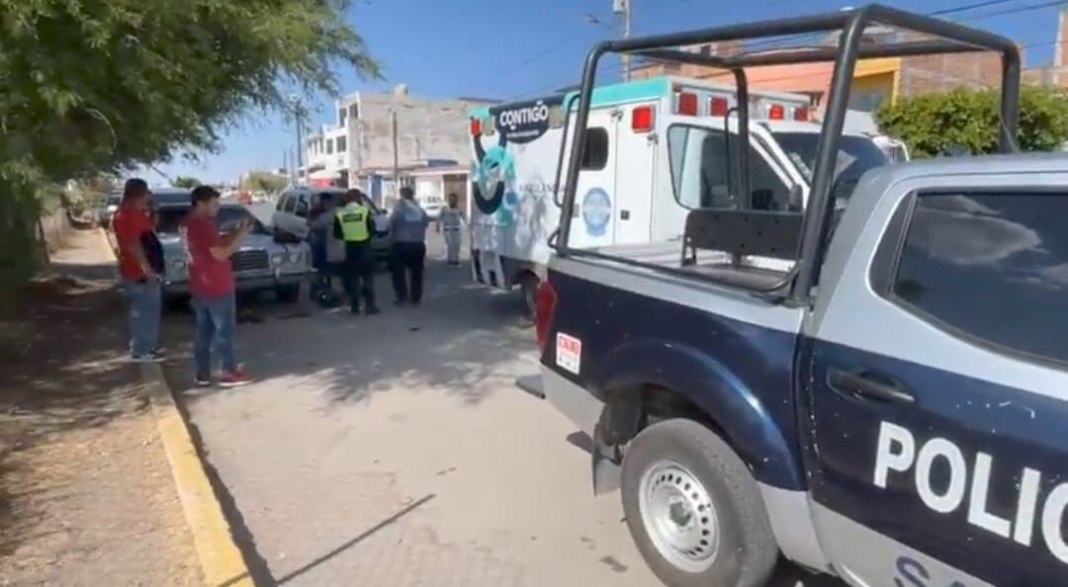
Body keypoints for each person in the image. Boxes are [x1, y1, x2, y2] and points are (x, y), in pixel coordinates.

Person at [184, 185, 253, 387]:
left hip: (200, 283)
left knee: (203, 332)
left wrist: (234, 233)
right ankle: (228, 371)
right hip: (216, 284)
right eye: (214, 204)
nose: (217, 208)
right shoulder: (202, 225)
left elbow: (214, 244)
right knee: (224, 330)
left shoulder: (189, 223)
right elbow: (220, 254)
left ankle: (202, 373)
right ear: (200, 203)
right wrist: (240, 237)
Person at [112, 178, 163, 362]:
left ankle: (146, 347)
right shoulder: (126, 214)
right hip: (139, 274)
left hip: (141, 272)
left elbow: (149, 231)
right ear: (139, 194)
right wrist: (147, 270)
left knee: (146, 310)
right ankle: (142, 350)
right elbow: (133, 244)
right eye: (146, 193)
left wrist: (154, 210)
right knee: (144, 312)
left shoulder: (134, 213)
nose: (148, 197)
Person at [333, 189, 379, 315]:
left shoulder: (340, 213)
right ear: (358, 199)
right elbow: (372, 229)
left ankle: (355, 307)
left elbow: (337, 234)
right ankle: (370, 306)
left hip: (350, 249)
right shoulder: (364, 211)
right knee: (368, 278)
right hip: (365, 248)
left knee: (353, 279)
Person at [389, 186, 430, 305]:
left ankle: (401, 296)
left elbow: (392, 224)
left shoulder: (399, 209)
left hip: (401, 244)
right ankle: (415, 297)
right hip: (418, 244)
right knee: (416, 273)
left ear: (402, 195)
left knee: (398, 273)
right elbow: (426, 223)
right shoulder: (420, 209)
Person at [436, 192, 466, 266]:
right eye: (451, 199)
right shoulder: (445, 209)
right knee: (450, 245)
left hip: (456, 229)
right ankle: (451, 260)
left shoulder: (459, 209)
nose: (452, 201)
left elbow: (464, 218)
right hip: (448, 229)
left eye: (454, 199)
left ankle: (456, 258)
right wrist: (437, 226)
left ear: (456, 200)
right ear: (448, 200)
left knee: (457, 245)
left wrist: (468, 226)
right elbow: (439, 218)